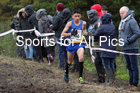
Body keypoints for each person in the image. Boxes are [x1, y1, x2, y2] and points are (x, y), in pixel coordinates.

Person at [61, 8, 87, 84]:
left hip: (79, 44)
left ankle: (80, 77)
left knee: (81, 58)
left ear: (80, 16)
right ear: (72, 16)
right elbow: (62, 34)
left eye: (78, 16)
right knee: (69, 61)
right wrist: (71, 34)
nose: (77, 18)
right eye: (75, 16)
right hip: (71, 44)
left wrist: (86, 35)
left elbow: (84, 31)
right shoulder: (69, 23)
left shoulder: (83, 23)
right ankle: (66, 73)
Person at [119, 6, 140, 91]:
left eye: (122, 13)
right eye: (120, 13)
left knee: (134, 66)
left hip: (132, 48)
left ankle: (135, 84)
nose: (121, 15)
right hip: (125, 48)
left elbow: (137, 33)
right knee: (129, 66)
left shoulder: (132, 21)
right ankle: (130, 83)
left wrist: (128, 40)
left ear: (127, 13)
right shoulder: (123, 21)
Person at [92, 13, 117, 85]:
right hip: (112, 48)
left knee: (106, 65)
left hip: (104, 49)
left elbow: (95, 36)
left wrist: (93, 29)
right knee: (112, 64)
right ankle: (112, 80)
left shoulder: (102, 27)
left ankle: (108, 81)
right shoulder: (112, 26)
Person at [87, 10, 105, 83]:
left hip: (99, 45)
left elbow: (97, 35)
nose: (88, 18)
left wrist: (89, 38)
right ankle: (100, 76)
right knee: (97, 61)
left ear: (92, 16)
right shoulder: (95, 22)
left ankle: (102, 77)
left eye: (89, 16)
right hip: (96, 45)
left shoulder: (98, 22)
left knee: (98, 61)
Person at [62, 8, 79, 72]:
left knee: (75, 55)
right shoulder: (69, 20)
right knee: (73, 55)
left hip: (74, 40)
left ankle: (77, 68)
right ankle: (75, 68)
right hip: (72, 39)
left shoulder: (71, 21)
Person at [52, 3, 66, 69]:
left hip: (59, 35)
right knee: (66, 50)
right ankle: (66, 65)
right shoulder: (66, 16)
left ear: (57, 9)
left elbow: (54, 26)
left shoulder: (57, 17)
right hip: (66, 35)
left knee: (60, 51)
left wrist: (51, 27)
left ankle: (61, 65)